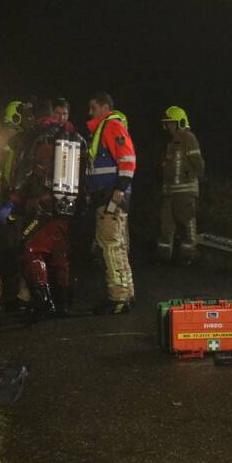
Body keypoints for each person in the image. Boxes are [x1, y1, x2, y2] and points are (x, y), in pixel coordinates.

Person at [4, 97, 85, 317]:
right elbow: (85, 172)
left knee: (31, 251)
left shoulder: (34, 137)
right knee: (60, 254)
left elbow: (24, 172)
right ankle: (65, 303)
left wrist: (14, 202)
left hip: (39, 205)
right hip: (67, 206)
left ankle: (43, 301)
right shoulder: (74, 137)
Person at [86, 93, 136, 314]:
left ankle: (117, 299)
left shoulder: (111, 126)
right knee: (118, 246)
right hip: (109, 196)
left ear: (105, 107)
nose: (90, 112)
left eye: (93, 107)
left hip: (111, 197)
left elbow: (128, 158)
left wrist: (120, 188)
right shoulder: (105, 128)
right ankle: (126, 294)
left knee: (110, 246)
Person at [157, 106, 205, 265]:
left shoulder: (188, 138)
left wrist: (197, 179)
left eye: (171, 123)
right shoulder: (171, 143)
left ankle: (188, 258)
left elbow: (198, 163)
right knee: (166, 226)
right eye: (166, 124)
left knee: (187, 226)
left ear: (179, 123)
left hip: (185, 192)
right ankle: (164, 257)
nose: (168, 127)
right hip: (170, 193)